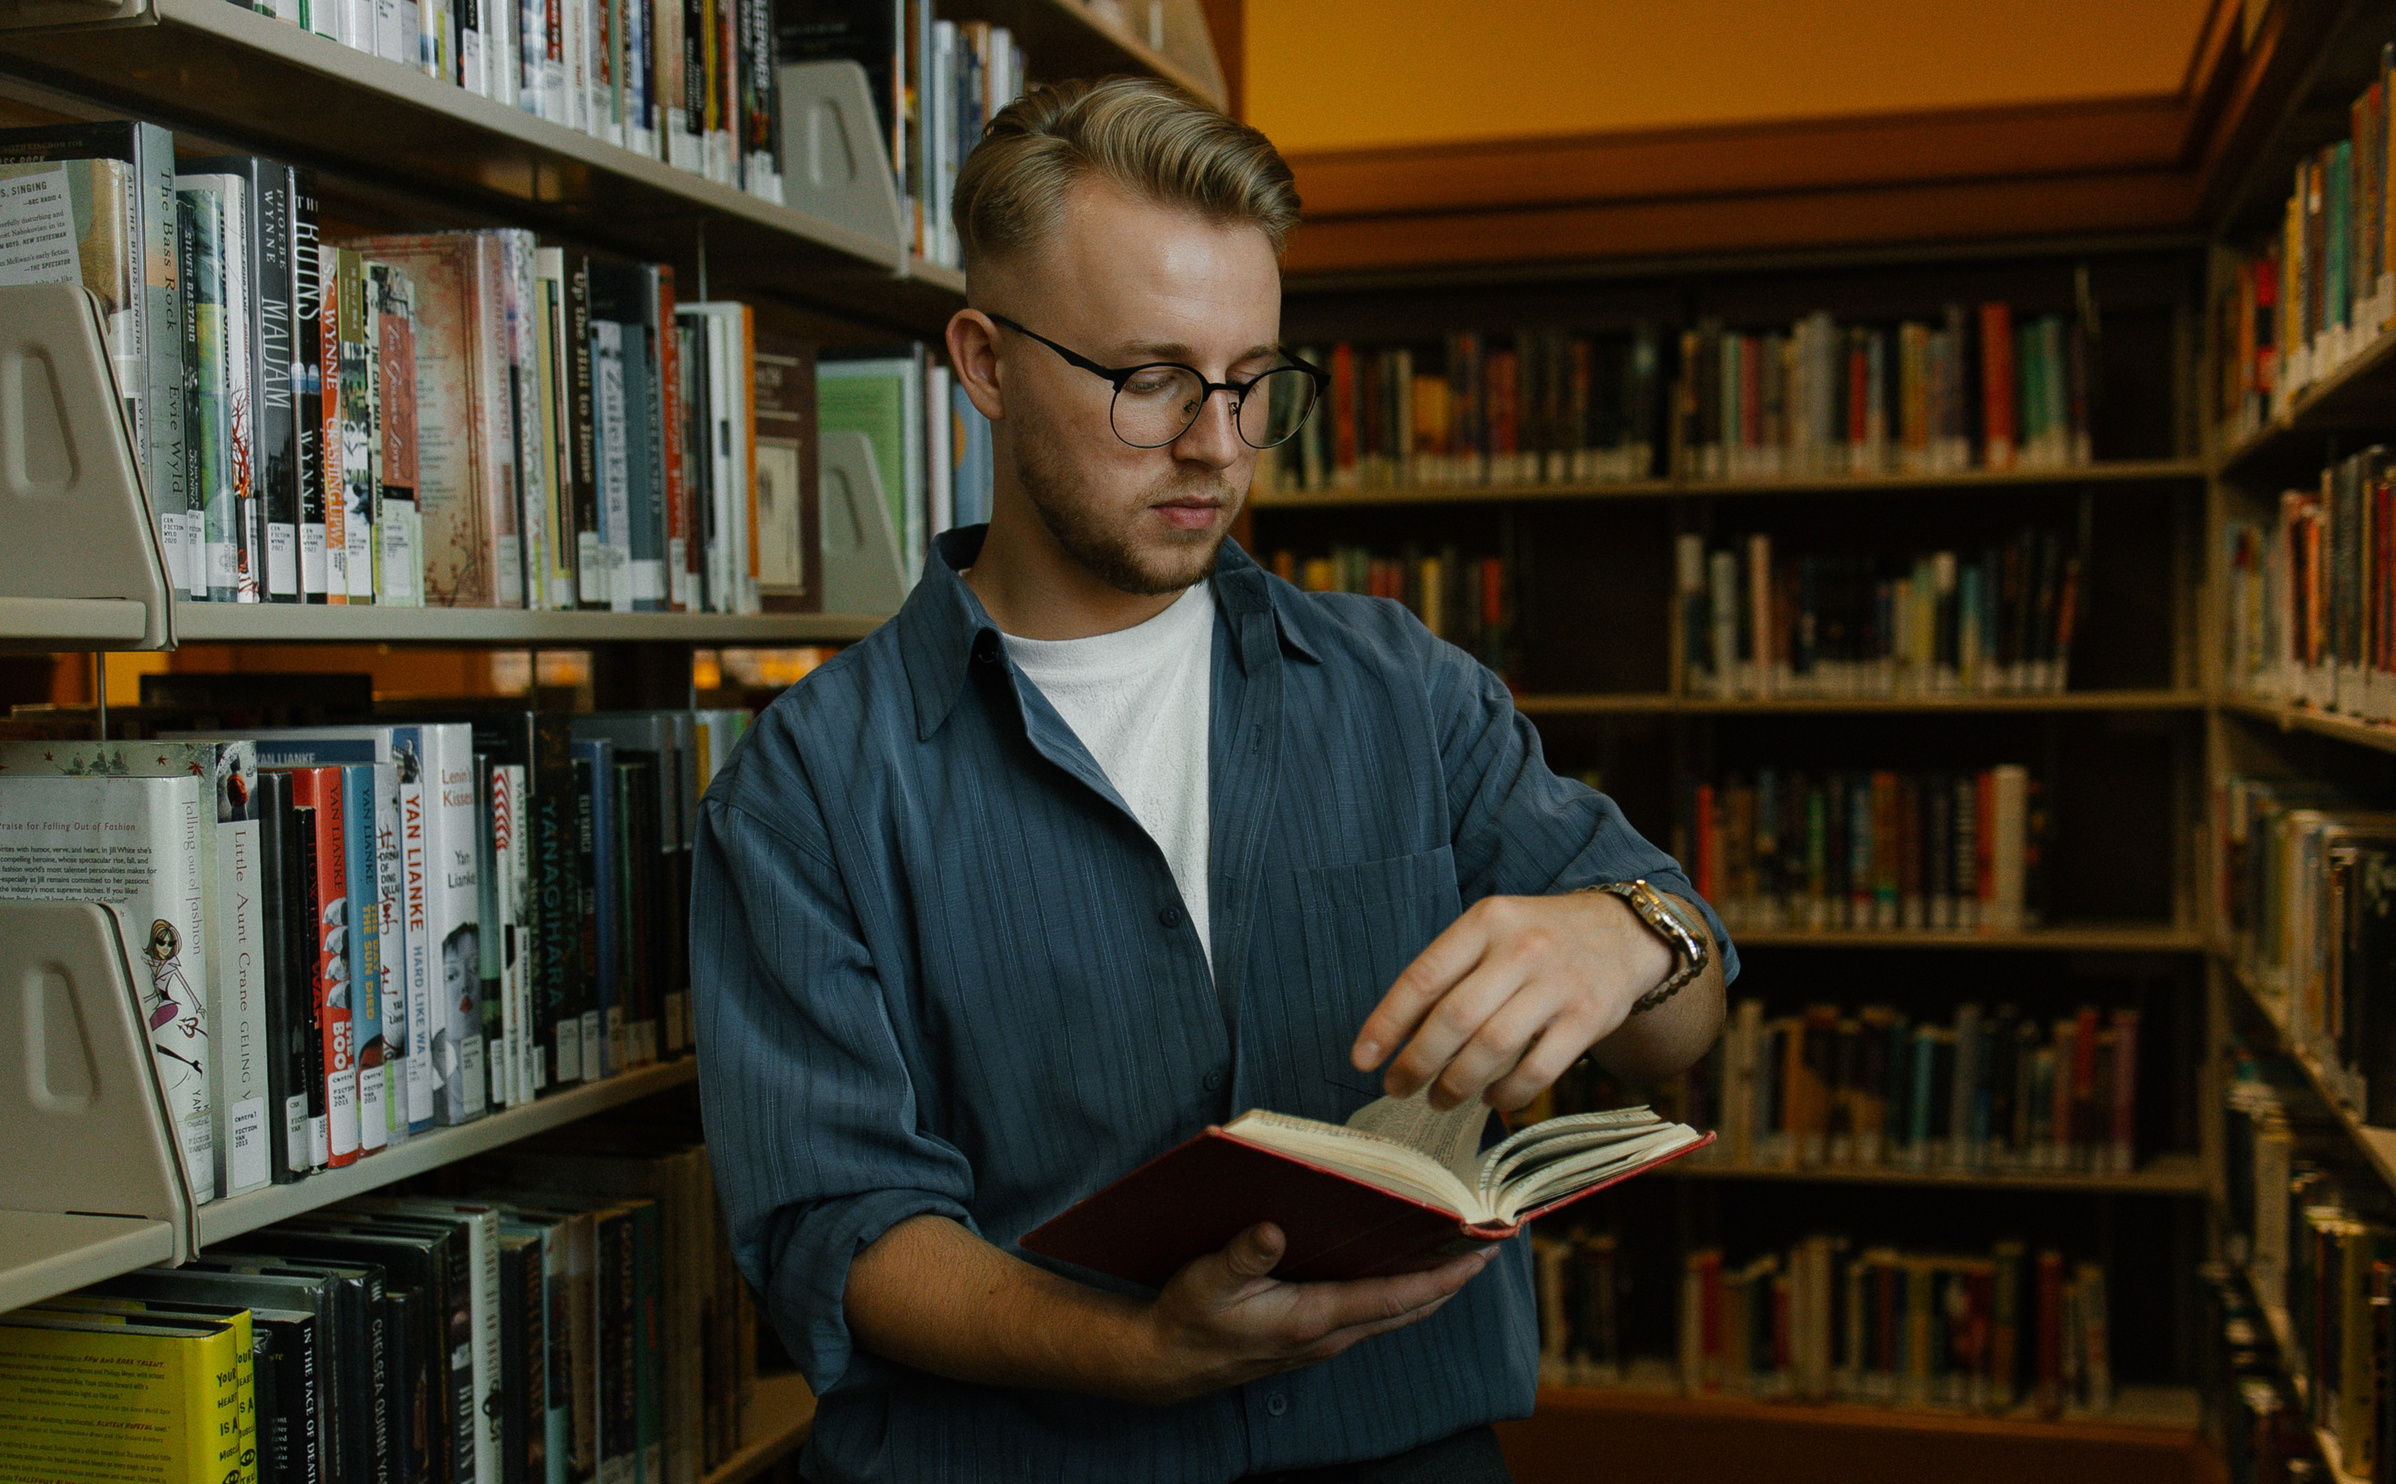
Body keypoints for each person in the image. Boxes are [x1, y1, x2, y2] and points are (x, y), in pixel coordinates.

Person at [692, 76, 1736, 1484]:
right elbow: (837, 1228)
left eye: (1253, 383)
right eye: (1152, 380)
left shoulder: (1401, 687)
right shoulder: (810, 782)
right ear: (986, 364)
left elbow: (1682, 1027)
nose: (1218, 446)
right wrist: (1135, 1352)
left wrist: (1630, 938)